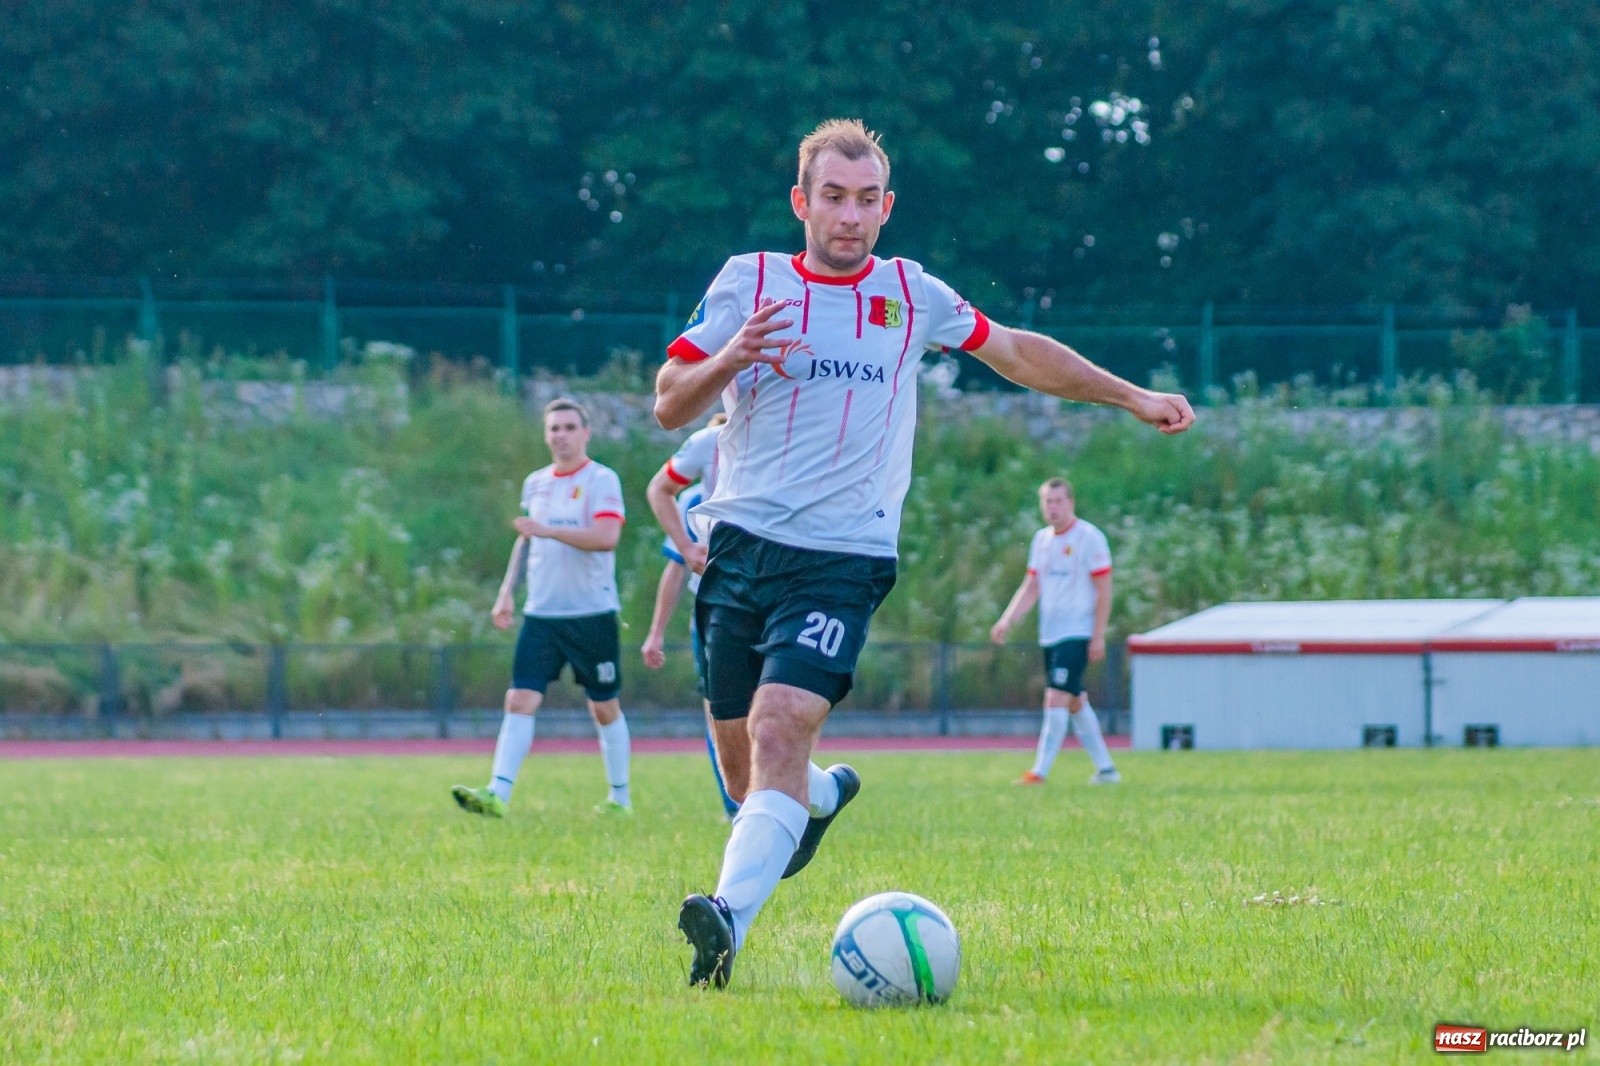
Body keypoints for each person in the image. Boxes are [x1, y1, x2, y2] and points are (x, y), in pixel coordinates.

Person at [653, 118, 1194, 989]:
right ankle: (822, 796)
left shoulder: (912, 295)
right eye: (833, 198)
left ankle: (724, 926)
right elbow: (670, 406)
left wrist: (1131, 395)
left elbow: (1018, 352)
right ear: (802, 201)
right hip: (738, 549)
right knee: (749, 772)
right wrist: (731, 356)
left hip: (843, 556)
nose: (850, 217)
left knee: (779, 724)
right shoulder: (746, 283)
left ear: (887, 207)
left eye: (867, 201)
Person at [450, 398, 633, 818]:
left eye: (569, 427)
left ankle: (620, 799)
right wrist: (506, 591)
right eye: (554, 428)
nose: (561, 435)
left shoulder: (602, 480)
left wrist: (549, 530)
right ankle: (497, 794)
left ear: (586, 433)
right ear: (545, 435)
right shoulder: (535, 483)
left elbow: (606, 537)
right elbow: (527, 538)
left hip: (591, 612)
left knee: (603, 706)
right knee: (519, 698)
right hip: (542, 614)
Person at [990, 477, 1121, 785]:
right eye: (1048, 502)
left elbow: (1104, 589)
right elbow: (1032, 585)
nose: (1053, 507)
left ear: (1071, 503)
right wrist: (1008, 619)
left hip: (1077, 631)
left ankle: (1039, 771)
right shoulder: (1042, 540)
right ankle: (1107, 770)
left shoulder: (1089, 537)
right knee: (1075, 701)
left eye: (1058, 501)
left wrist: (1098, 634)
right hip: (1050, 633)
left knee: (1056, 697)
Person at [642, 412, 740, 819]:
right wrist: (656, 633)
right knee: (720, 705)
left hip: (772, 588)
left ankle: (788, 797)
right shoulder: (693, 497)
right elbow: (676, 566)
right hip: (714, 603)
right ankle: (734, 804)